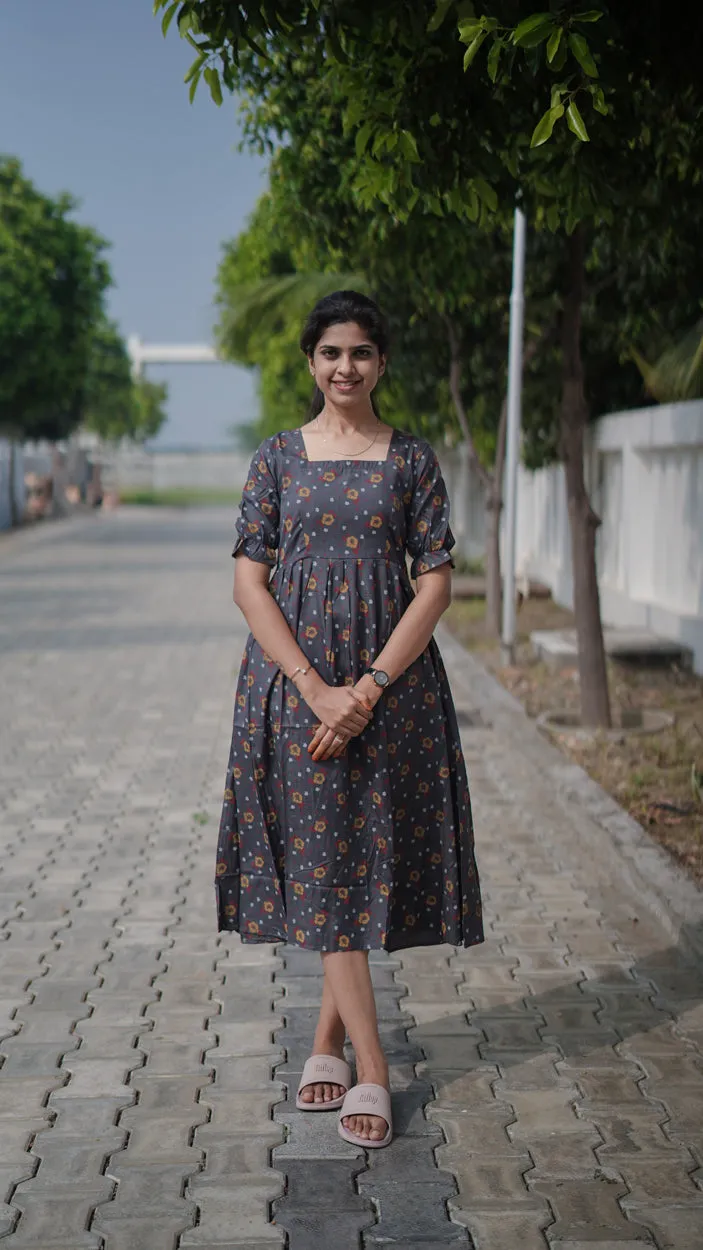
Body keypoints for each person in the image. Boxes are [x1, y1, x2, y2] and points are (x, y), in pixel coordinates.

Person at [216, 290, 483, 1149]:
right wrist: (313, 689)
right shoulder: (276, 460)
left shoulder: (409, 459)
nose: (345, 367)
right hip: (293, 691)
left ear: (381, 363)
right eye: (330, 352)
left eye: (361, 353)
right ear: (309, 361)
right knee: (327, 866)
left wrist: (365, 690)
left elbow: (434, 578)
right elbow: (248, 581)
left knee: (357, 862)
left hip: (393, 691)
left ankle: (325, 1043)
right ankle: (373, 1070)